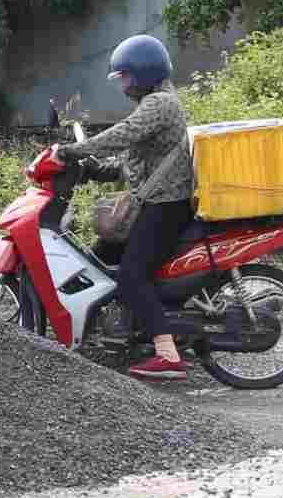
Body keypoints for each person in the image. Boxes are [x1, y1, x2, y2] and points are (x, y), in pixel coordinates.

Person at [61, 34, 196, 381]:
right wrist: (95, 168)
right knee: (97, 259)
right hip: (154, 201)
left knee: (133, 276)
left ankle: (168, 355)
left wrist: (73, 151)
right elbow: (134, 161)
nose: (123, 85)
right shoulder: (154, 103)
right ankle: (107, 331)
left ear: (144, 71)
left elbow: (121, 135)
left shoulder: (159, 104)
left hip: (165, 205)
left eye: (125, 77)